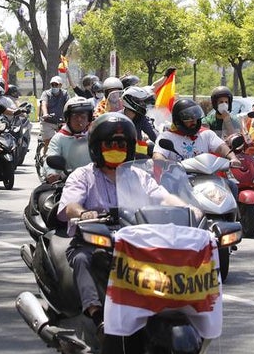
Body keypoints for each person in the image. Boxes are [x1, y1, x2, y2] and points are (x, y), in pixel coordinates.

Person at [58, 114, 174, 326]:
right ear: (96, 147)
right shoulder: (82, 175)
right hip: (93, 242)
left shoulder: (139, 176)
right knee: (82, 259)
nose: (116, 149)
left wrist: (189, 208)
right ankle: (95, 313)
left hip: (134, 241)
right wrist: (83, 213)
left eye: (121, 144)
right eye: (109, 144)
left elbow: (163, 196)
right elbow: (70, 206)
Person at [154, 98, 241, 167]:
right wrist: (164, 163)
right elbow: (158, 156)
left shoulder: (206, 134)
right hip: (179, 180)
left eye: (196, 118)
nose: (194, 121)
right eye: (188, 119)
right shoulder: (167, 137)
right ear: (178, 120)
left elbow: (221, 147)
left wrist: (233, 158)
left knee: (229, 184)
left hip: (205, 177)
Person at [43, 97, 93, 182]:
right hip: (68, 181)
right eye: (75, 116)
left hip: (94, 181)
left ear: (89, 118)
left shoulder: (94, 136)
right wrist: (51, 173)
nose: (79, 120)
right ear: (67, 118)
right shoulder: (59, 138)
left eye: (83, 116)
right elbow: (52, 155)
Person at [119, 86, 158, 156]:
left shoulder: (141, 118)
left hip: (136, 155)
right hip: (118, 154)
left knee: (151, 147)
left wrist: (162, 142)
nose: (143, 105)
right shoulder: (117, 118)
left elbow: (153, 133)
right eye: (140, 102)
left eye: (144, 102)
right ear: (129, 101)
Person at [39, 75, 70, 153]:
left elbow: (69, 105)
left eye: (56, 84)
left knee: (66, 140)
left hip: (61, 122)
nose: (54, 86)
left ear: (60, 85)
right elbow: (44, 104)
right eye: (52, 84)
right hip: (48, 122)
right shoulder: (46, 93)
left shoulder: (65, 94)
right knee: (49, 142)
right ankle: (45, 157)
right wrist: (45, 114)